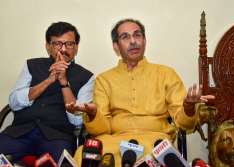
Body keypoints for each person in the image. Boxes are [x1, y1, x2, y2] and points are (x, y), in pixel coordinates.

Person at [72, 18, 215, 167]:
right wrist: (93, 114)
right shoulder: (104, 79)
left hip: (155, 142)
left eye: (137, 35)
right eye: (125, 37)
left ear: (145, 41)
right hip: (114, 143)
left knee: (155, 155)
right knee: (83, 155)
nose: (133, 41)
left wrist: (188, 107)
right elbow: (102, 130)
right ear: (116, 46)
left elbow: (185, 124)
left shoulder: (166, 74)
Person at [0, 22, 94, 163]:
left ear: (76, 47)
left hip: (58, 137)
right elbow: (14, 103)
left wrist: (64, 83)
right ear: (48, 46)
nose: (63, 49)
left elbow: (78, 121)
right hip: (19, 133)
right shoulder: (31, 65)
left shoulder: (87, 77)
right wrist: (48, 81)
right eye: (57, 44)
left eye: (69, 44)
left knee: (62, 162)